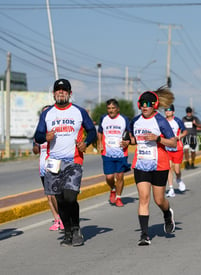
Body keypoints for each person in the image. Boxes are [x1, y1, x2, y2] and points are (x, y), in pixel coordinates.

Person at [34, 79, 97, 247]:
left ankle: (76, 228)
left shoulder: (79, 112)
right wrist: (44, 138)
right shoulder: (47, 114)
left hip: (73, 160)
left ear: (70, 94)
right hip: (53, 161)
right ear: (54, 94)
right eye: (58, 90)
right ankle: (68, 232)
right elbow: (38, 135)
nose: (61, 92)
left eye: (64, 90)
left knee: (70, 197)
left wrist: (86, 143)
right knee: (60, 200)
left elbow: (92, 131)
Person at [128, 88, 177, 246]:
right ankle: (144, 235)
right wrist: (127, 142)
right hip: (141, 164)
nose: (144, 107)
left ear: (154, 105)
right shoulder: (135, 121)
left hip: (159, 164)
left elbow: (173, 142)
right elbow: (134, 139)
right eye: (142, 104)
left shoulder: (160, 121)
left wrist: (157, 139)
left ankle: (167, 215)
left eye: (148, 104)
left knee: (159, 199)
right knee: (144, 198)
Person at [32, 105, 64, 231]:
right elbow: (35, 150)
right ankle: (57, 219)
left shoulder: (56, 129)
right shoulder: (39, 133)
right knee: (49, 195)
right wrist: (36, 144)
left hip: (55, 164)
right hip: (43, 166)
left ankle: (63, 216)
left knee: (56, 194)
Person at [97, 99, 131, 207]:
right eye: (109, 108)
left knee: (120, 176)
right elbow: (100, 132)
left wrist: (127, 142)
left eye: (113, 108)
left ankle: (118, 197)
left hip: (121, 153)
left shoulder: (124, 119)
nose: (111, 110)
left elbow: (129, 134)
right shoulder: (103, 118)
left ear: (117, 109)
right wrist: (99, 143)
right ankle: (113, 188)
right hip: (107, 153)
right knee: (109, 177)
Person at [164, 104, 188, 197]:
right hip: (167, 148)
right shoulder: (163, 121)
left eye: (169, 110)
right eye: (166, 110)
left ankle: (179, 179)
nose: (167, 112)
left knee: (177, 170)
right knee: (169, 168)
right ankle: (171, 189)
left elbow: (185, 131)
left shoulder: (177, 121)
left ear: (173, 112)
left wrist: (179, 136)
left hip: (177, 147)